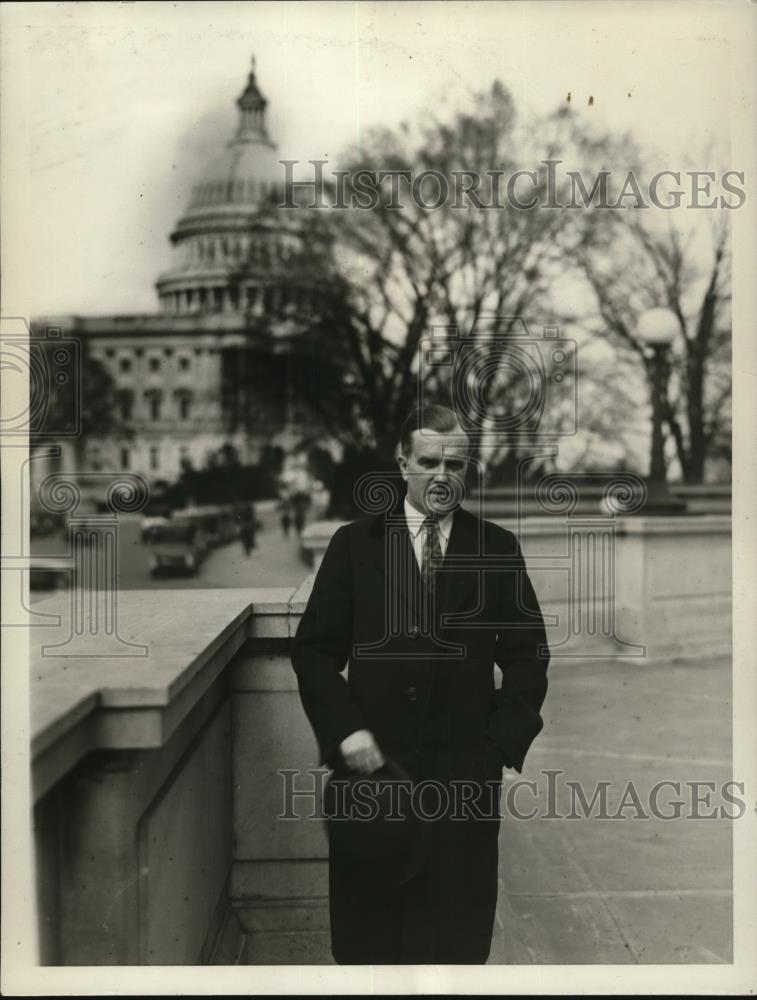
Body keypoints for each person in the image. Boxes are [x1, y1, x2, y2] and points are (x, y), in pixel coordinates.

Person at [291, 404, 550, 965]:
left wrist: (495, 749)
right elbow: (313, 652)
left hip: (463, 789)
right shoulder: (354, 546)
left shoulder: (496, 549)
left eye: (455, 465)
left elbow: (529, 657)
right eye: (429, 461)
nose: (442, 477)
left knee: (455, 951)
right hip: (373, 780)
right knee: (368, 951)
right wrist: (346, 732)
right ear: (402, 461)